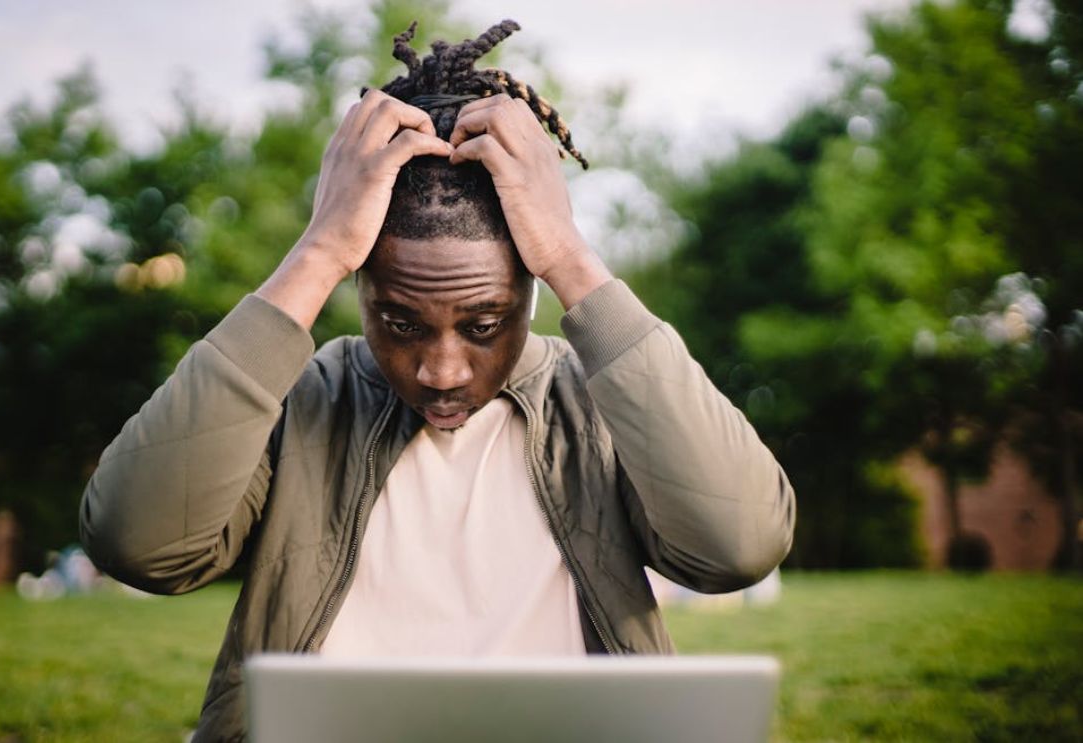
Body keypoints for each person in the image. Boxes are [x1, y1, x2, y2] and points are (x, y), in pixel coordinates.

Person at [80, 20, 795, 742]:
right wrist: (317, 248)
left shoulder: (604, 401)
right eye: (400, 321)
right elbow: (137, 544)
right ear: (358, 286)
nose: (441, 370)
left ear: (530, 288)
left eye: (482, 324)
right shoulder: (300, 397)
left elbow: (737, 545)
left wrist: (572, 256)